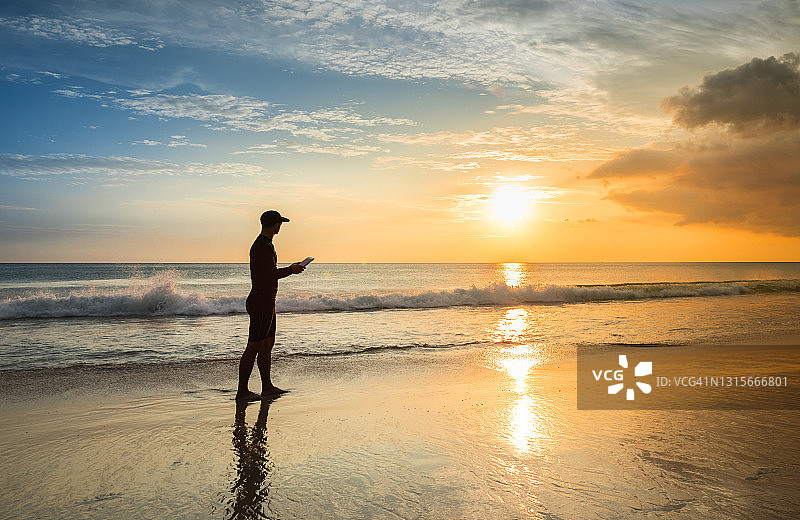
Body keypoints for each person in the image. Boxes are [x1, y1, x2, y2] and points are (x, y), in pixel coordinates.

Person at [236, 210, 305, 402]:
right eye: (279, 223)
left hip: (266, 302)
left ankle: (267, 387)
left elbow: (269, 273)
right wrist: (291, 270)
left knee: (267, 345)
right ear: (275, 225)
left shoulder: (265, 244)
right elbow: (270, 274)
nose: (280, 226)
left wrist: (291, 269)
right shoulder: (262, 246)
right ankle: (242, 391)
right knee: (254, 346)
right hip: (260, 302)